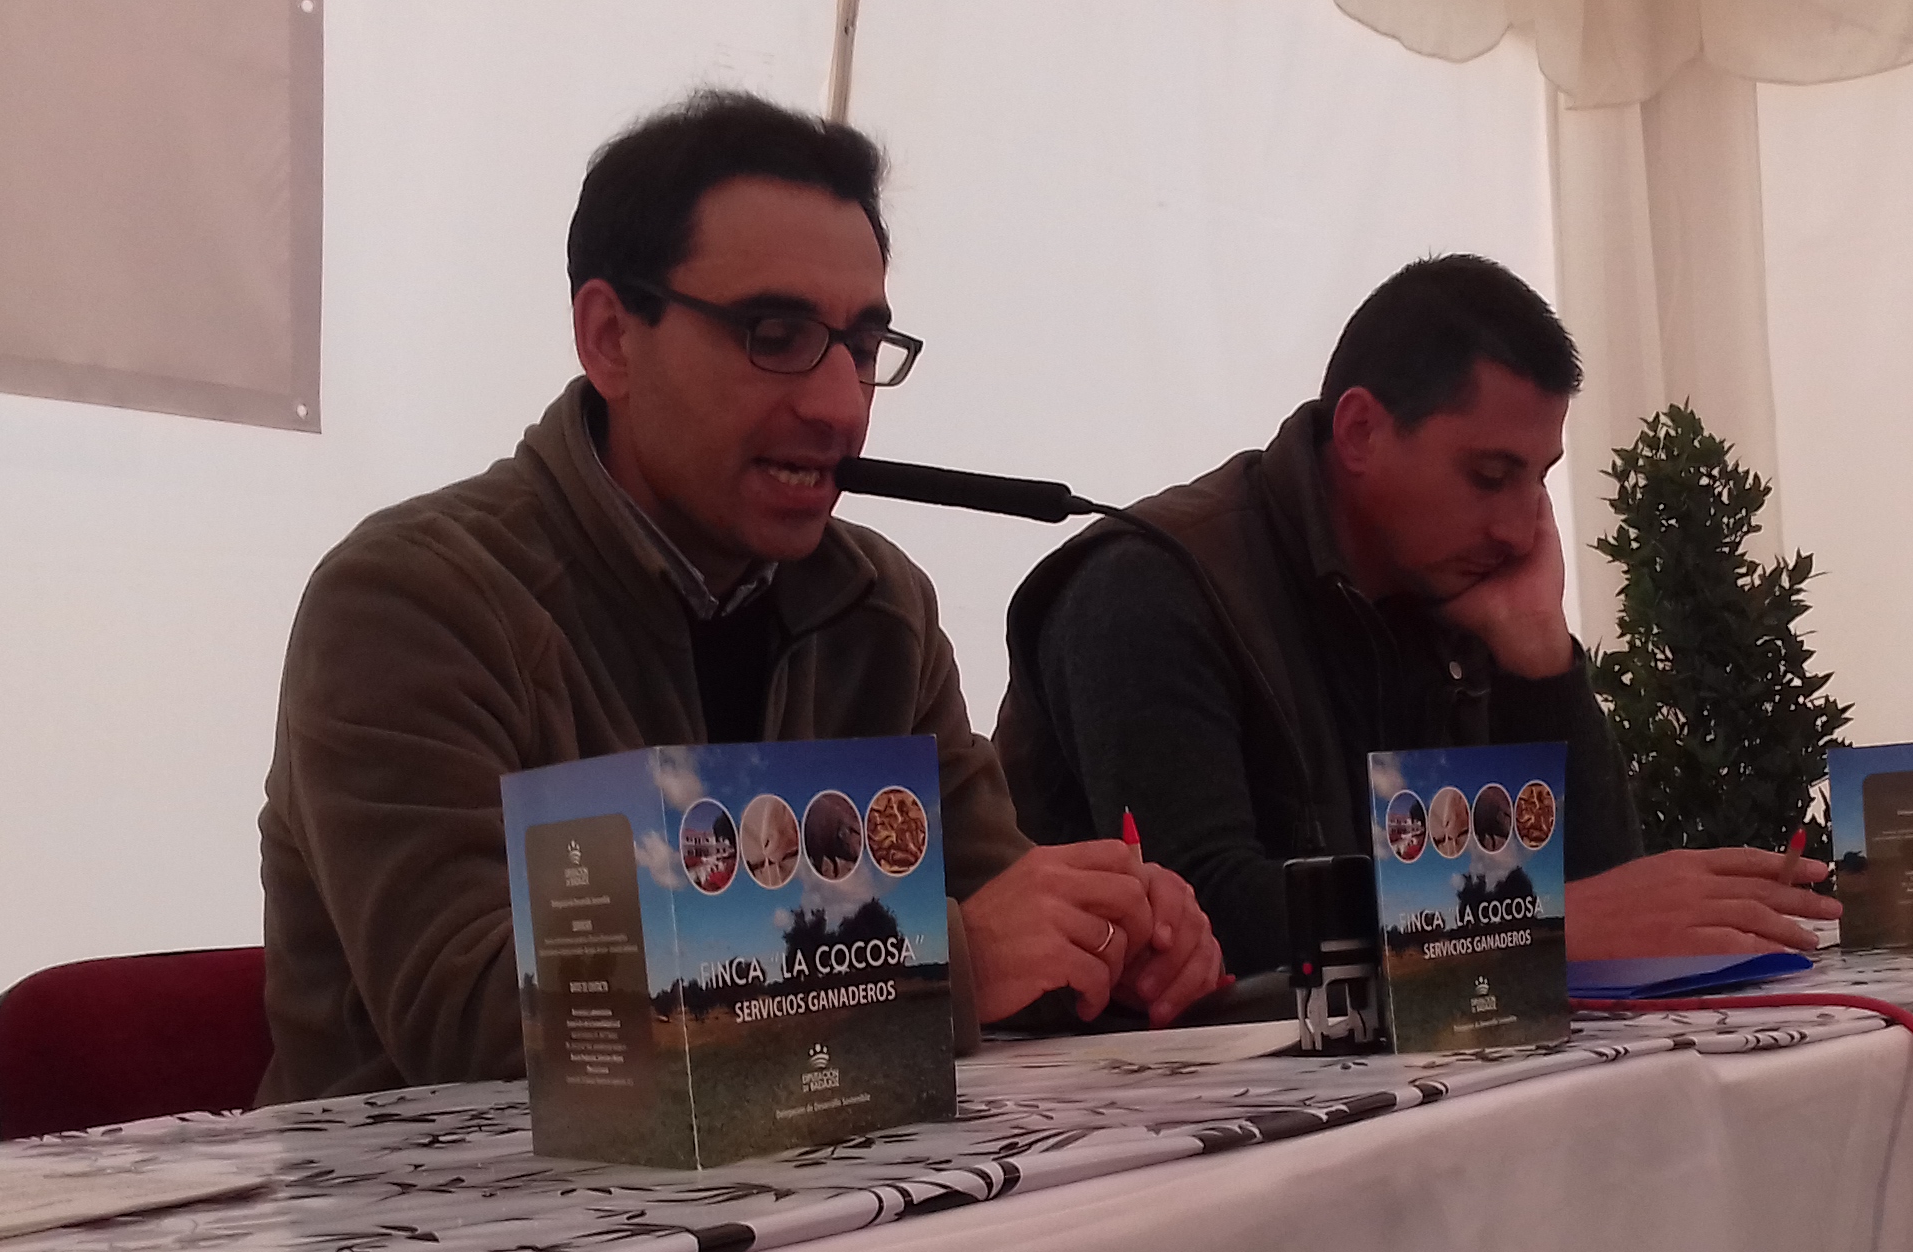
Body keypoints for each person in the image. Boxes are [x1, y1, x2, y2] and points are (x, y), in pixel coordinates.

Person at [258, 91, 1223, 1102]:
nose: (840, 406)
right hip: (453, 1198)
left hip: (814, 1171)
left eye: (861, 348)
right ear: (610, 337)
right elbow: (477, 1023)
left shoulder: (880, 609)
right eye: (775, 333)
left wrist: (1109, 938)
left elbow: (995, 902)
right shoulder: (410, 605)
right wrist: (953, 961)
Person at [993, 255, 1838, 975]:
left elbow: (1607, 897)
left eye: (1539, 478)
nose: (1521, 530)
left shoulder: (1460, 589)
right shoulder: (1147, 584)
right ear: (1361, 431)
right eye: (1489, 476)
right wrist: (1540, 922)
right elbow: (1206, 917)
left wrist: (1541, 659)